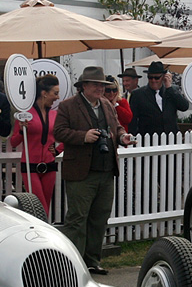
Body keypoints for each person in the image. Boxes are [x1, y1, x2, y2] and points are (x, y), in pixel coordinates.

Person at [54, 66, 133, 275]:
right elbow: (59, 132)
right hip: (82, 172)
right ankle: (73, 265)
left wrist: (123, 136)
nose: (101, 88)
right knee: (77, 219)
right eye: (96, 85)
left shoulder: (107, 105)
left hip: (106, 170)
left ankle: (92, 261)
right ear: (84, 86)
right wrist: (83, 137)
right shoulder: (68, 106)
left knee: (99, 217)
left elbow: (117, 128)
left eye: (103, 85)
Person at [9, 75, 63, 216]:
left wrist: (57, 151)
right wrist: (22, 130)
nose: (57, 97)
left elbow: (66, 136)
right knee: (39, 206)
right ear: (44, 93)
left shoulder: (55, 115)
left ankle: (44, 233)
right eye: (55, 93)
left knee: (46, 204)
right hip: (30, 166)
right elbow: (14, 142)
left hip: (50, 166)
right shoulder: (25, 114)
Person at [128, 61, 189, 137]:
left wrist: (169, 88)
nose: (153, 80)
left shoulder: (172, 91)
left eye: (157, 78)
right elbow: (132, 121)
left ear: (163, 77)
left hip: (171, 139)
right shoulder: (138, 94)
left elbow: (184, 106)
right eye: (150, 77)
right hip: (148, 139)